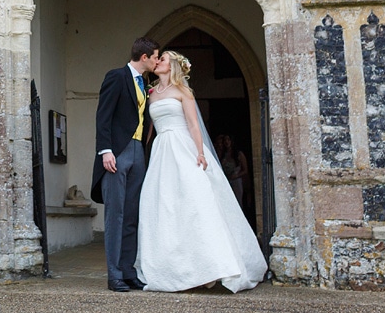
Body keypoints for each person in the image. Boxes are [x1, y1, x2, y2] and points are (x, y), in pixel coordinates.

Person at [136, 50, 268, 292]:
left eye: (162, 59)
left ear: (173, 65)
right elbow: (149, 129)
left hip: (182, 147)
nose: (158, 62)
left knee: (195, 202)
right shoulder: (151, 92)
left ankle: (211, 265)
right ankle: (175, 266)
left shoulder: (184, 92)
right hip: (161, 151)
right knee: (164, 205)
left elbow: (194, 124)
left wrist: (200, 152)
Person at [90, 37, 158, 292]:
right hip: (116, 154)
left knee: (131, 215)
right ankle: (114, 274)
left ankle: (129, 271)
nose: (156, 61)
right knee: (116, 216)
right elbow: (103, 116)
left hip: (138, 152)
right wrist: (106, 151)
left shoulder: (145, 83)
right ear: (144, 57)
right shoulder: (116, 76)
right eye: (155, 57)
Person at [215, 133, 249, 207]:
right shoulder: (223, 155)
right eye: (225, 140)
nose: (227, 142)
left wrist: (236, 175)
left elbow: (245, 170)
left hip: (236, 181)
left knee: (238, 202)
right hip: (226, 181)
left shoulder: (238, 154)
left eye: (228, 140)